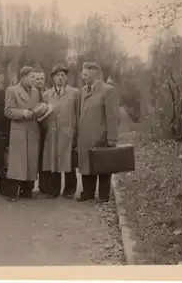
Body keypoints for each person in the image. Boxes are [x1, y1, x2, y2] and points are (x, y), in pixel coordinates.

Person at [77, 62, 119, 203]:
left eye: (86, 74)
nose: (83, 77)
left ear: (95, 73)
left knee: (103, 165)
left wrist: (112, 138)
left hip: (101, 135)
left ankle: (103, 195)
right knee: (86, 165)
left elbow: (112, 116)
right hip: (84, 137)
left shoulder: (108, 90)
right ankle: (88, 193)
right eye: (82, 74)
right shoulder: (83, 90)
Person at [41, 64, 81, 199]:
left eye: (63, 76)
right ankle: (53, 190)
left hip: (68, 132)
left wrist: (75, 131)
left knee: (68, 162)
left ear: (66, 78)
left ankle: (69, 190)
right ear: (52, 78)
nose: (60, 78)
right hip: (52, 133)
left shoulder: (74, 93)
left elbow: (78, 113)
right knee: (53, 161)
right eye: (57, 76)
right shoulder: (46, 95)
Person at [4, 66, 41, 202]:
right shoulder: (12, 91)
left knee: (31, 161)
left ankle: (27, 190)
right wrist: (22, 113)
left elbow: (36, 108)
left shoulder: (36, 92)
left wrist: (40, 111)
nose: (34, 80)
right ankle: (12, 193)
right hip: (19, 131)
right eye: (32, 77)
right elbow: (8, 111)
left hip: (32, 130)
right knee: (17, 162)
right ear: (23, 77)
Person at [34, 70, 47, 195]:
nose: (39, 81)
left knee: (44, 157)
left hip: (45, 130)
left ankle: (43, 185)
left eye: (42, 79)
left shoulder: (47, 93)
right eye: (37, 79)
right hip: (32, 129)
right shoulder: (30, 93)